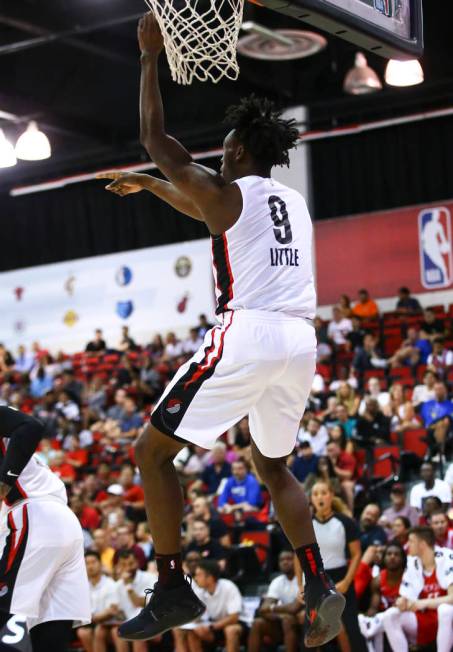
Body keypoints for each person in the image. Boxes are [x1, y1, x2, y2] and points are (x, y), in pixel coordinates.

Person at [98, 11, 344, 648]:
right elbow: (199, 198)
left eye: (227, 145)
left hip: (249, 335)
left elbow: (156, 137)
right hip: (299, 344)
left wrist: (151, 56)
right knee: (273, 465)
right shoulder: (289, 202)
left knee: (150, 453)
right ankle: (318, 583)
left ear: (237, 151)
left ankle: (173, 585)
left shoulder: (227, 191)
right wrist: (155, 186)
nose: (221, 150)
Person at [0, 406, 90, 652]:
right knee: (50, 629)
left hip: (32, 516)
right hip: (61, 523)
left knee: (6, 616)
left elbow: (32, 426)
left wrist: (4, 483)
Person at [304, 480, 366, 651]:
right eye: (316, 494)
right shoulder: (305, 525)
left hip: (340, 576)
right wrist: (299, 585)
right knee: (314, 632)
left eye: (324, 493)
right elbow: (298, 558)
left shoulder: (345, 522)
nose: (320, 497)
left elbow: (356, 554)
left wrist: (347, 581)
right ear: (311, 499)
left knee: (350, 628)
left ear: (331, 495)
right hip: (314, 579)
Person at [382, 527, 453, 652]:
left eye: (411, 541)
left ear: (422, 545)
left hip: (447, 617)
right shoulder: (412, 563)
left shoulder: (448, 557)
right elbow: (406, 597)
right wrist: (402, 602)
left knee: (445, 610)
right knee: (390, 615)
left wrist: (423, 603)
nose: (407, 545)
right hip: (425, 618)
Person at [248, 551, 303, 652]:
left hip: (303, 624)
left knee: (289, 620)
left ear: (297, 561)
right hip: (282, 623)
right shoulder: (277, 581)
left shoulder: (304, 578)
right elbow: (263, 609)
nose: (285, 562)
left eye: (289, 559)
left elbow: (294, 608)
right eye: (282, 560)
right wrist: (281, 616)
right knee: (257, 623)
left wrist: (273, 608)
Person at [186, 560, 244, 652]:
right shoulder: (200, 591)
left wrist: (211, 627)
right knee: (193, 632)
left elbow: (234, 618)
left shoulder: (228, 587)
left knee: (230, 630)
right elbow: (196, 615)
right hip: (215, 625)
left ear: (210, 578)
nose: (195, 578)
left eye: (199, 575)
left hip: (237, 624)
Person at [358, 543, 406, 652]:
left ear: (403, 559)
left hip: (402, 616)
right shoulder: (377, 580)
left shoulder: (408, 577)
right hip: (383, 617)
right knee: (363, 621)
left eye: (396, 554)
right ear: (383, 559)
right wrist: (366, 618)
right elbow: (374, 607)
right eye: (389, 554)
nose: (392, 557)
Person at [114, 550, 158, 652]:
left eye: (131, 563)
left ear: (137, 563)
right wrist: (115, 613)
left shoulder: (150, 578)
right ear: (118, 566)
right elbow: (119, 612)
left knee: (137, 631)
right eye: (123, 564)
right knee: (115, 631)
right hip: (128, 622)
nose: (128, 568)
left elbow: (141, 603)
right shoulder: (117, 585)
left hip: (151, 622)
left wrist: (128, 586)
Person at [78, 550, 120, 652]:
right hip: (92, 622)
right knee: (82, 632)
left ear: (100, 564)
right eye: (87, 563)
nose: (90, 566)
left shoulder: (110, 584)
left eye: (93, 562)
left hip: (110, 623)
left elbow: (112, 610)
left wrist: (93, 618)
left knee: (99, 631)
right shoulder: (83, 586)